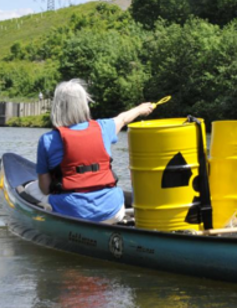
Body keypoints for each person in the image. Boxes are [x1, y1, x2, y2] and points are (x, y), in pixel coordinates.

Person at [24, 79, 154, 224]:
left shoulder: (48, 140)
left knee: (29, 188)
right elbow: (123, 119)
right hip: (113, 211)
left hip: (72, 214)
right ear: (84, 104)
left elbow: (45, 188)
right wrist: (140, 109)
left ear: (57, 107)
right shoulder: (104, 127)